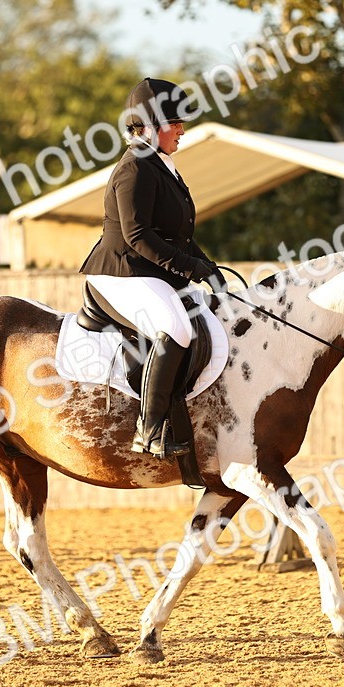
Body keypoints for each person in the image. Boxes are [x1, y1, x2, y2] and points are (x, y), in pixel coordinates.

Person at [79, 77, 224, 459]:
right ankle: (149, 429)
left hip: (146, 271)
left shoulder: (162, 165)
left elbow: (176, 233)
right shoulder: (135, 169)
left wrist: (207, 265)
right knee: (175, 327)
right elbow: (138, 235)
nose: (181, 129)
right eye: (174, 122)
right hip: (120, 272)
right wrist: (191, 268)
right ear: (151, 124)